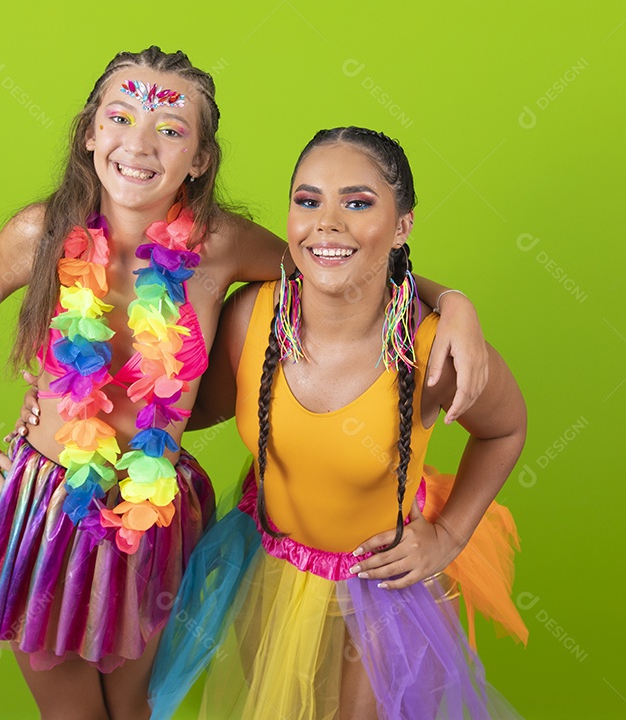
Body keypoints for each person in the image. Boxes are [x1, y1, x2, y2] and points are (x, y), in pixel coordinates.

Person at [0, 47, 491, 719]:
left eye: (170, 130)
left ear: (199, 158)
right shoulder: (40, 233)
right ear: (89, 133)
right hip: (51, 501)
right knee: (71, 711)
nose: (138, 145)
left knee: (140, 705)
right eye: (119, 117)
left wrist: (452, 301)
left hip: (154, 508)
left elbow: (336, 262)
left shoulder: (219, 245)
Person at [146, 127, 529, 720]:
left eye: (357, 202)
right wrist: (72, 404)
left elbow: (504, 429)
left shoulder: (433, 352)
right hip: (267, 565)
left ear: (402, 226)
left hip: (379, 588)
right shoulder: (252, 317)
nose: (327, 222)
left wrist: (449, 536)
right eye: (308, 200)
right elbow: (187, 411)